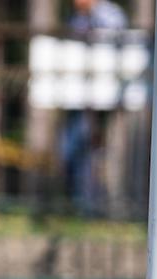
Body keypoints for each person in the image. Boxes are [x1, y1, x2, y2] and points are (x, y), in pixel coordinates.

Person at [61, 0, 128, 216]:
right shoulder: (77, 19)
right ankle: (82, 203)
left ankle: (96, 204)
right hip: (80, 95)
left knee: (94, 150)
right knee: (73, 149)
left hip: (105, 95)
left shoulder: (111, 15)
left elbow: (120, 47)